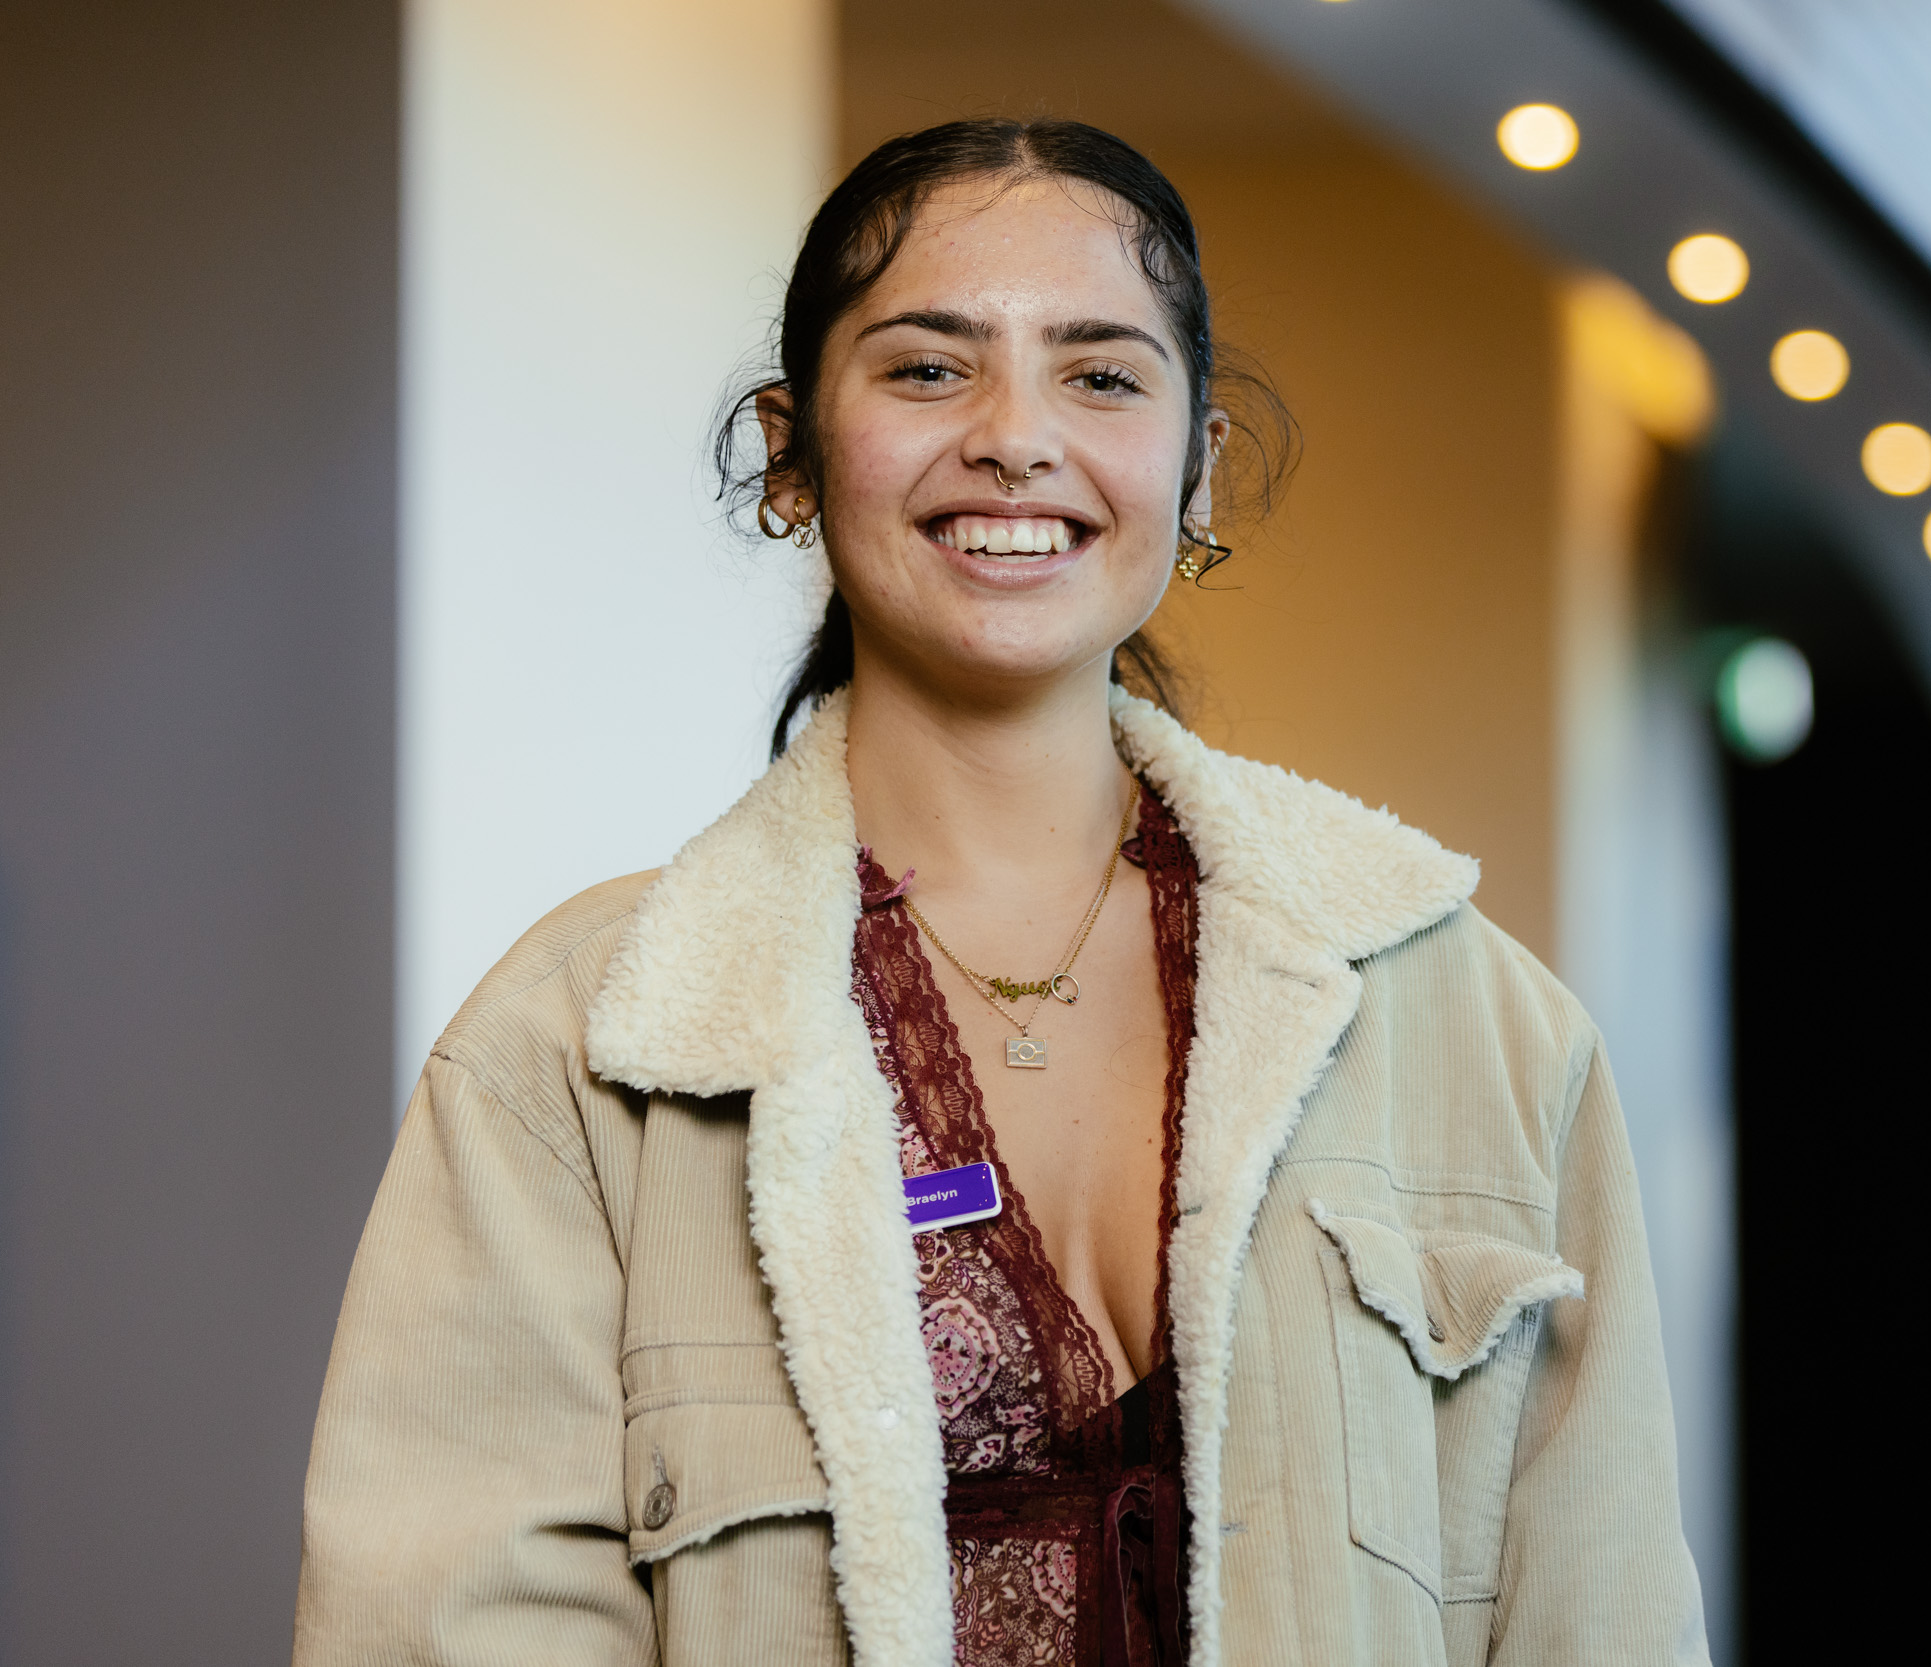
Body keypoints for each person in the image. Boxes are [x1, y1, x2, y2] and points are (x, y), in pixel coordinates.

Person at [293, 118, 1706, 1667]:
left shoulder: (1480, 1023)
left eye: (1100, 374)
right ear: (790, 452)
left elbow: (1605, 1616)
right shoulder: (578, 1048)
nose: (1016, 437)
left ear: (1196, 466)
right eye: (925, 368)